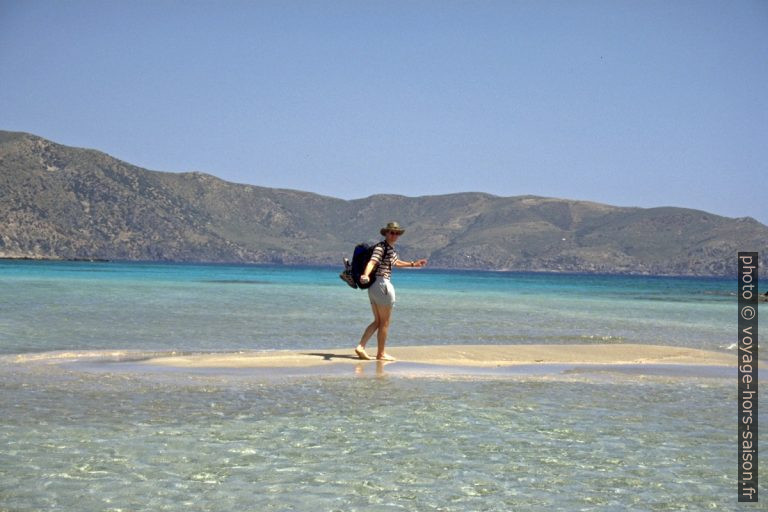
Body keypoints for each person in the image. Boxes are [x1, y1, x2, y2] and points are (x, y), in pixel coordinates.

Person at [355, 222, 428, 361]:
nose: (394, 235)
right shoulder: (381, 248)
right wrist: (365, 274)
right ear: (386, 233)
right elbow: (372, 262)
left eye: (396, 233)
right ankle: (381, 354)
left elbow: (397, 262)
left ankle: (361, 346)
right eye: (391, 232)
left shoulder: (390, 249)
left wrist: (414, 264)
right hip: (382, 285)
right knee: (385, 322)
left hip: (374, 287)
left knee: (378, 321)